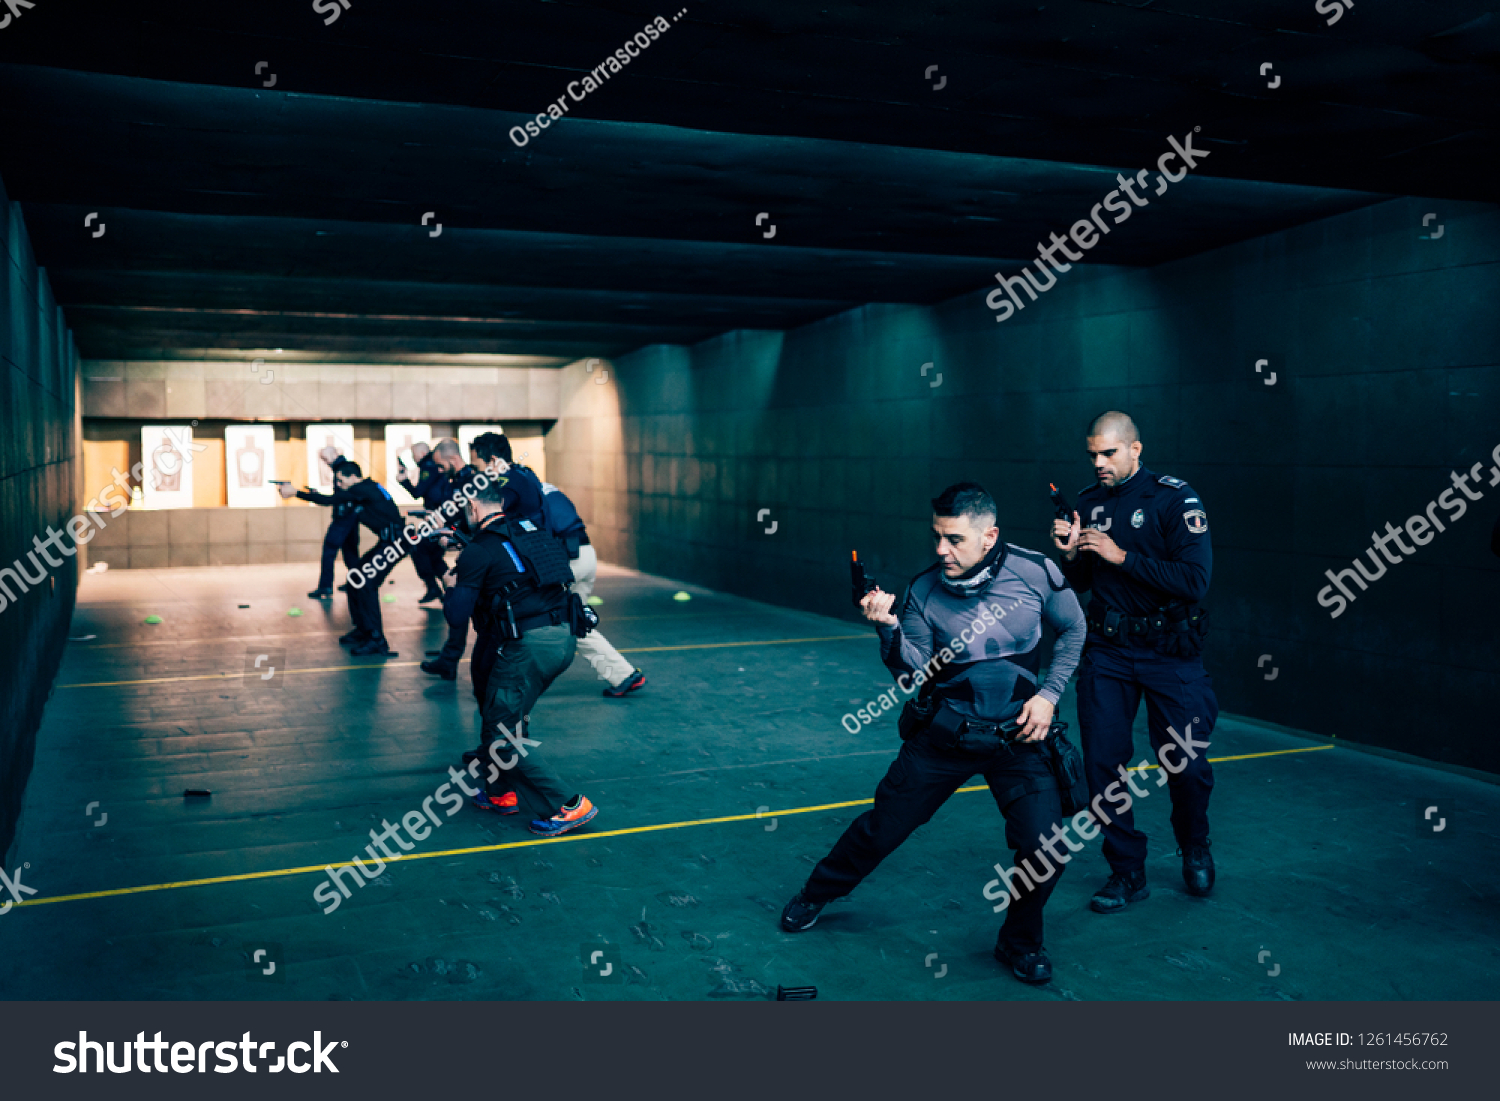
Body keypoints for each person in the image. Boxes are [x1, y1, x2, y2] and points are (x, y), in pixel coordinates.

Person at [780, 483, 1086, 984]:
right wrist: (887, 629)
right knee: (883, 828)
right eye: (937, 537)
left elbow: (1074, 628)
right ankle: (816, 893)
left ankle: (1019, 943)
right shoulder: (924, 591)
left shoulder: (1036, 572)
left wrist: (1050, 693)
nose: (941, 550)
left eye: (955, 539)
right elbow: (912, 676)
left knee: (1045, 845)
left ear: (990, 536)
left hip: (1020, 735)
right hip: (948, 735)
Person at [1050, 410, 1218, 913]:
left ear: (1135, 449)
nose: (1099, 462)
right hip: (1108, 652)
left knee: (1186, 764)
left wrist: (1122, 556)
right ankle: (1127, 870)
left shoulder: (1174, 498)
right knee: (1102, 766)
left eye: (1109, 453)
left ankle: (1195, 844)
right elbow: (1079, 582)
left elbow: (1195, 581)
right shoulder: (1088, 501)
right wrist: (1069, 553)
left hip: (1170, 652)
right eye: (1093, 455)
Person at [444, 477, 600, 836]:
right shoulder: (530, 533)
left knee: (500, 735)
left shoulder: (478, 550)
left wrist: (450, 583)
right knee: (505, 715)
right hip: (563, 637)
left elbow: (456, 615)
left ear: (472, 507)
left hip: (530, 646)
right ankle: (502, 792)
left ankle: (570, 804)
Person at [283, 460, 407, 657]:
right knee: (354, 578)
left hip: (396, 542)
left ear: (352, 477)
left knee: (366, 583)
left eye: (340, 480)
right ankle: (363, 629)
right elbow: (336, 498)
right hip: (390, 541)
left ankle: (377, 640)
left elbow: (331, 500)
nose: (338, 484)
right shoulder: (365, 488)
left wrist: (296, 493)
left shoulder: (362, 488)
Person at [295, 448, 361, 600]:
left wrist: (310, 496)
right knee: (350, 553)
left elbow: (337, 498)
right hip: (351, 517)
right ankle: (356, 581)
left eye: (326, 459)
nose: (325, 462)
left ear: (334, 455)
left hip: (343, 518)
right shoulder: (345, 469)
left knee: (330, 550)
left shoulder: (341, 470)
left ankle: (326, 586)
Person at [396, 440, 447, 604]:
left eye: (414, 455)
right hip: (438, 516)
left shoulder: (429, 466)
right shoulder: (433, 465)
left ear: (423, 453)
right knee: (434, 556)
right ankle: (444, 588)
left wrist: (404, 481)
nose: (413, 458)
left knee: (420, 548)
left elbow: (418, 492)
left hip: (437, 518)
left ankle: (438, 587)